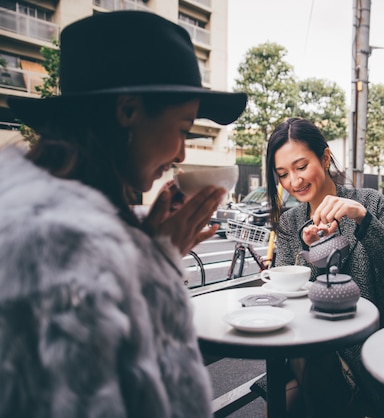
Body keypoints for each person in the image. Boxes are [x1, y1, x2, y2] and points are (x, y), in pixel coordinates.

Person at [0, 11, 247, 418]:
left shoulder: (48, 219)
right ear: (128, 111)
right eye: (183, 129)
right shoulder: (63, 244)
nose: (182, 154)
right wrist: (157, 268)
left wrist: (151, 252)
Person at [264, 117, 384, 417]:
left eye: (301, 167)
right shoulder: (290, 223)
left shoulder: (369, 204)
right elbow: (283, 302)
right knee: (301, 370)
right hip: (310, 350)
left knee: (291, 396)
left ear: (324, 158)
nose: (294, 182)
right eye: (283, 174)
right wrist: (309, 253)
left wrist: (363, 221)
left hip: (368, 348)